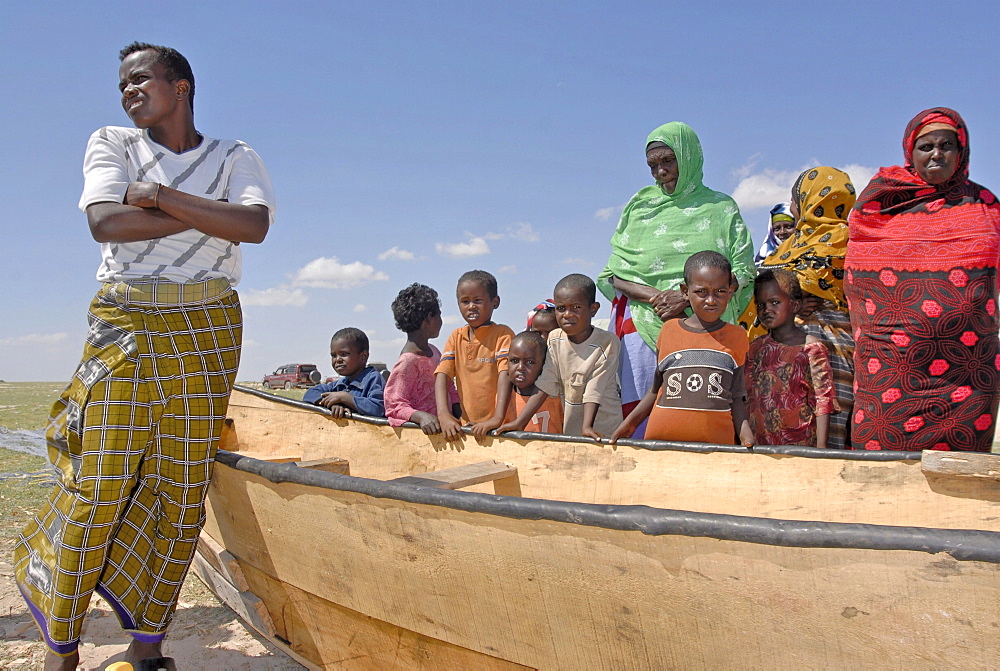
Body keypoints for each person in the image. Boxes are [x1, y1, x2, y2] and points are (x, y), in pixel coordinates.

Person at [14, 42, 275, 669]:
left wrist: (156, 196)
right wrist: (211, 217)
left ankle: (148, 647)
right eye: (123, 85)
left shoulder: (235, 155)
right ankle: (63, 648)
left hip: (210, 325)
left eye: (141, 81)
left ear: (181, 86)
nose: (129, 93)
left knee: (181, 490)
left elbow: (255, 226)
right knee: (98, 486)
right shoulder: (111, 142)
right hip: (127, 319)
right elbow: (106, 223)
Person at [846, 107, 1000, 451]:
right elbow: (860, 286)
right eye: (926, 146)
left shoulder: (985, 206)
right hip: (890, 372)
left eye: (946, 146)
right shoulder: (881, 203)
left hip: (968, 377)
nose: (936, 154)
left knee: (962, 482)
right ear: (910, 153)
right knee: (879, 473)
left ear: (962, 153)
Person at [597, 122, 755, 439]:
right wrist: (658, 297)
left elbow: (742, 269)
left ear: (689, 157)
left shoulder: (721, 208)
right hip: (644, 323)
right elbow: (612, 274)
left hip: (709, 325)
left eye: (668, 161)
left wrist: (686, 299)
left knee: (707, 412)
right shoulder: (639, 206)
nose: (660, 172)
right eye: (652, 165)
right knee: (647, 415)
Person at [741, 167, 857, 449]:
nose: (792, 208)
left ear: (806, 200)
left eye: (794, 200)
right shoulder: (794, 245)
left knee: (825, 424)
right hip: (790, 351)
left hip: (827, 350)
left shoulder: (847, 240)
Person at [612, 251, 753, 446]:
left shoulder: (737, 336)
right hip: (662, 444)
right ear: (685, 291)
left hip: (716, 446)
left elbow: (737, 398)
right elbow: (655, 389)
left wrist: (746, 437)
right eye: (701, 292)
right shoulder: (669, 330)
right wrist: (629, 425)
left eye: (720, 292)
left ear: (730, 292)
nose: (711, 300)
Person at [745, 269, 838, 448]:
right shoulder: (756, 348)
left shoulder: (811, 349)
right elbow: (746, 395)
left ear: (795, 306)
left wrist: (822, 448)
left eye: (775, 302)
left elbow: (822, 400)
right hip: (760, 446)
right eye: (761, 304)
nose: (767, 310)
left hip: (800, 447)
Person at [529, 274, 621, 439]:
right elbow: (546, 382)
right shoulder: (555, 338)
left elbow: (595, 388)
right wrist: (520, 422)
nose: (567, 314)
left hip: (604, 430)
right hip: (574, 431)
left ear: (593, 309)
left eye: (576, 308)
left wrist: (587, 427)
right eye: (561, 308)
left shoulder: (607, 341)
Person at [434, 270, 515, 440]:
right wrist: (444, 415)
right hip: (468, 427)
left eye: (477, 300)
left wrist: (496, 419)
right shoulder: (456, 337)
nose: (471, 306)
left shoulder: (503, 335)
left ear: (495, 302)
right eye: (465, 301)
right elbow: (443, 375)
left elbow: (505, 374)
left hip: (500, 428)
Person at [383, 283, 460, 433]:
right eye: (439, 315)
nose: (441, 321)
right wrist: (420, 417)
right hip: (422, 438)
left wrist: (460, 414)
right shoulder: (407, 362)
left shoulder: (434, 352)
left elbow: (449, 387)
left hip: (446, 431)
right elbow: (394, 404)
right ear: (429, 319)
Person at [304, 327, 386, 418]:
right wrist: (330, 403)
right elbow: (310, 393)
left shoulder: (373, 379)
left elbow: (378, 408)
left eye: (344, 354)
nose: (338, 359)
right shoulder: (340, 384)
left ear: (363, 356)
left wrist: (347, 398)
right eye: (334, 355)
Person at [496, 330, 564, 434]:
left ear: (543, 365)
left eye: (529, 362)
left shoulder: (555, 396)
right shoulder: (504, 398)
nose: (520, 367)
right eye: (514, 361)